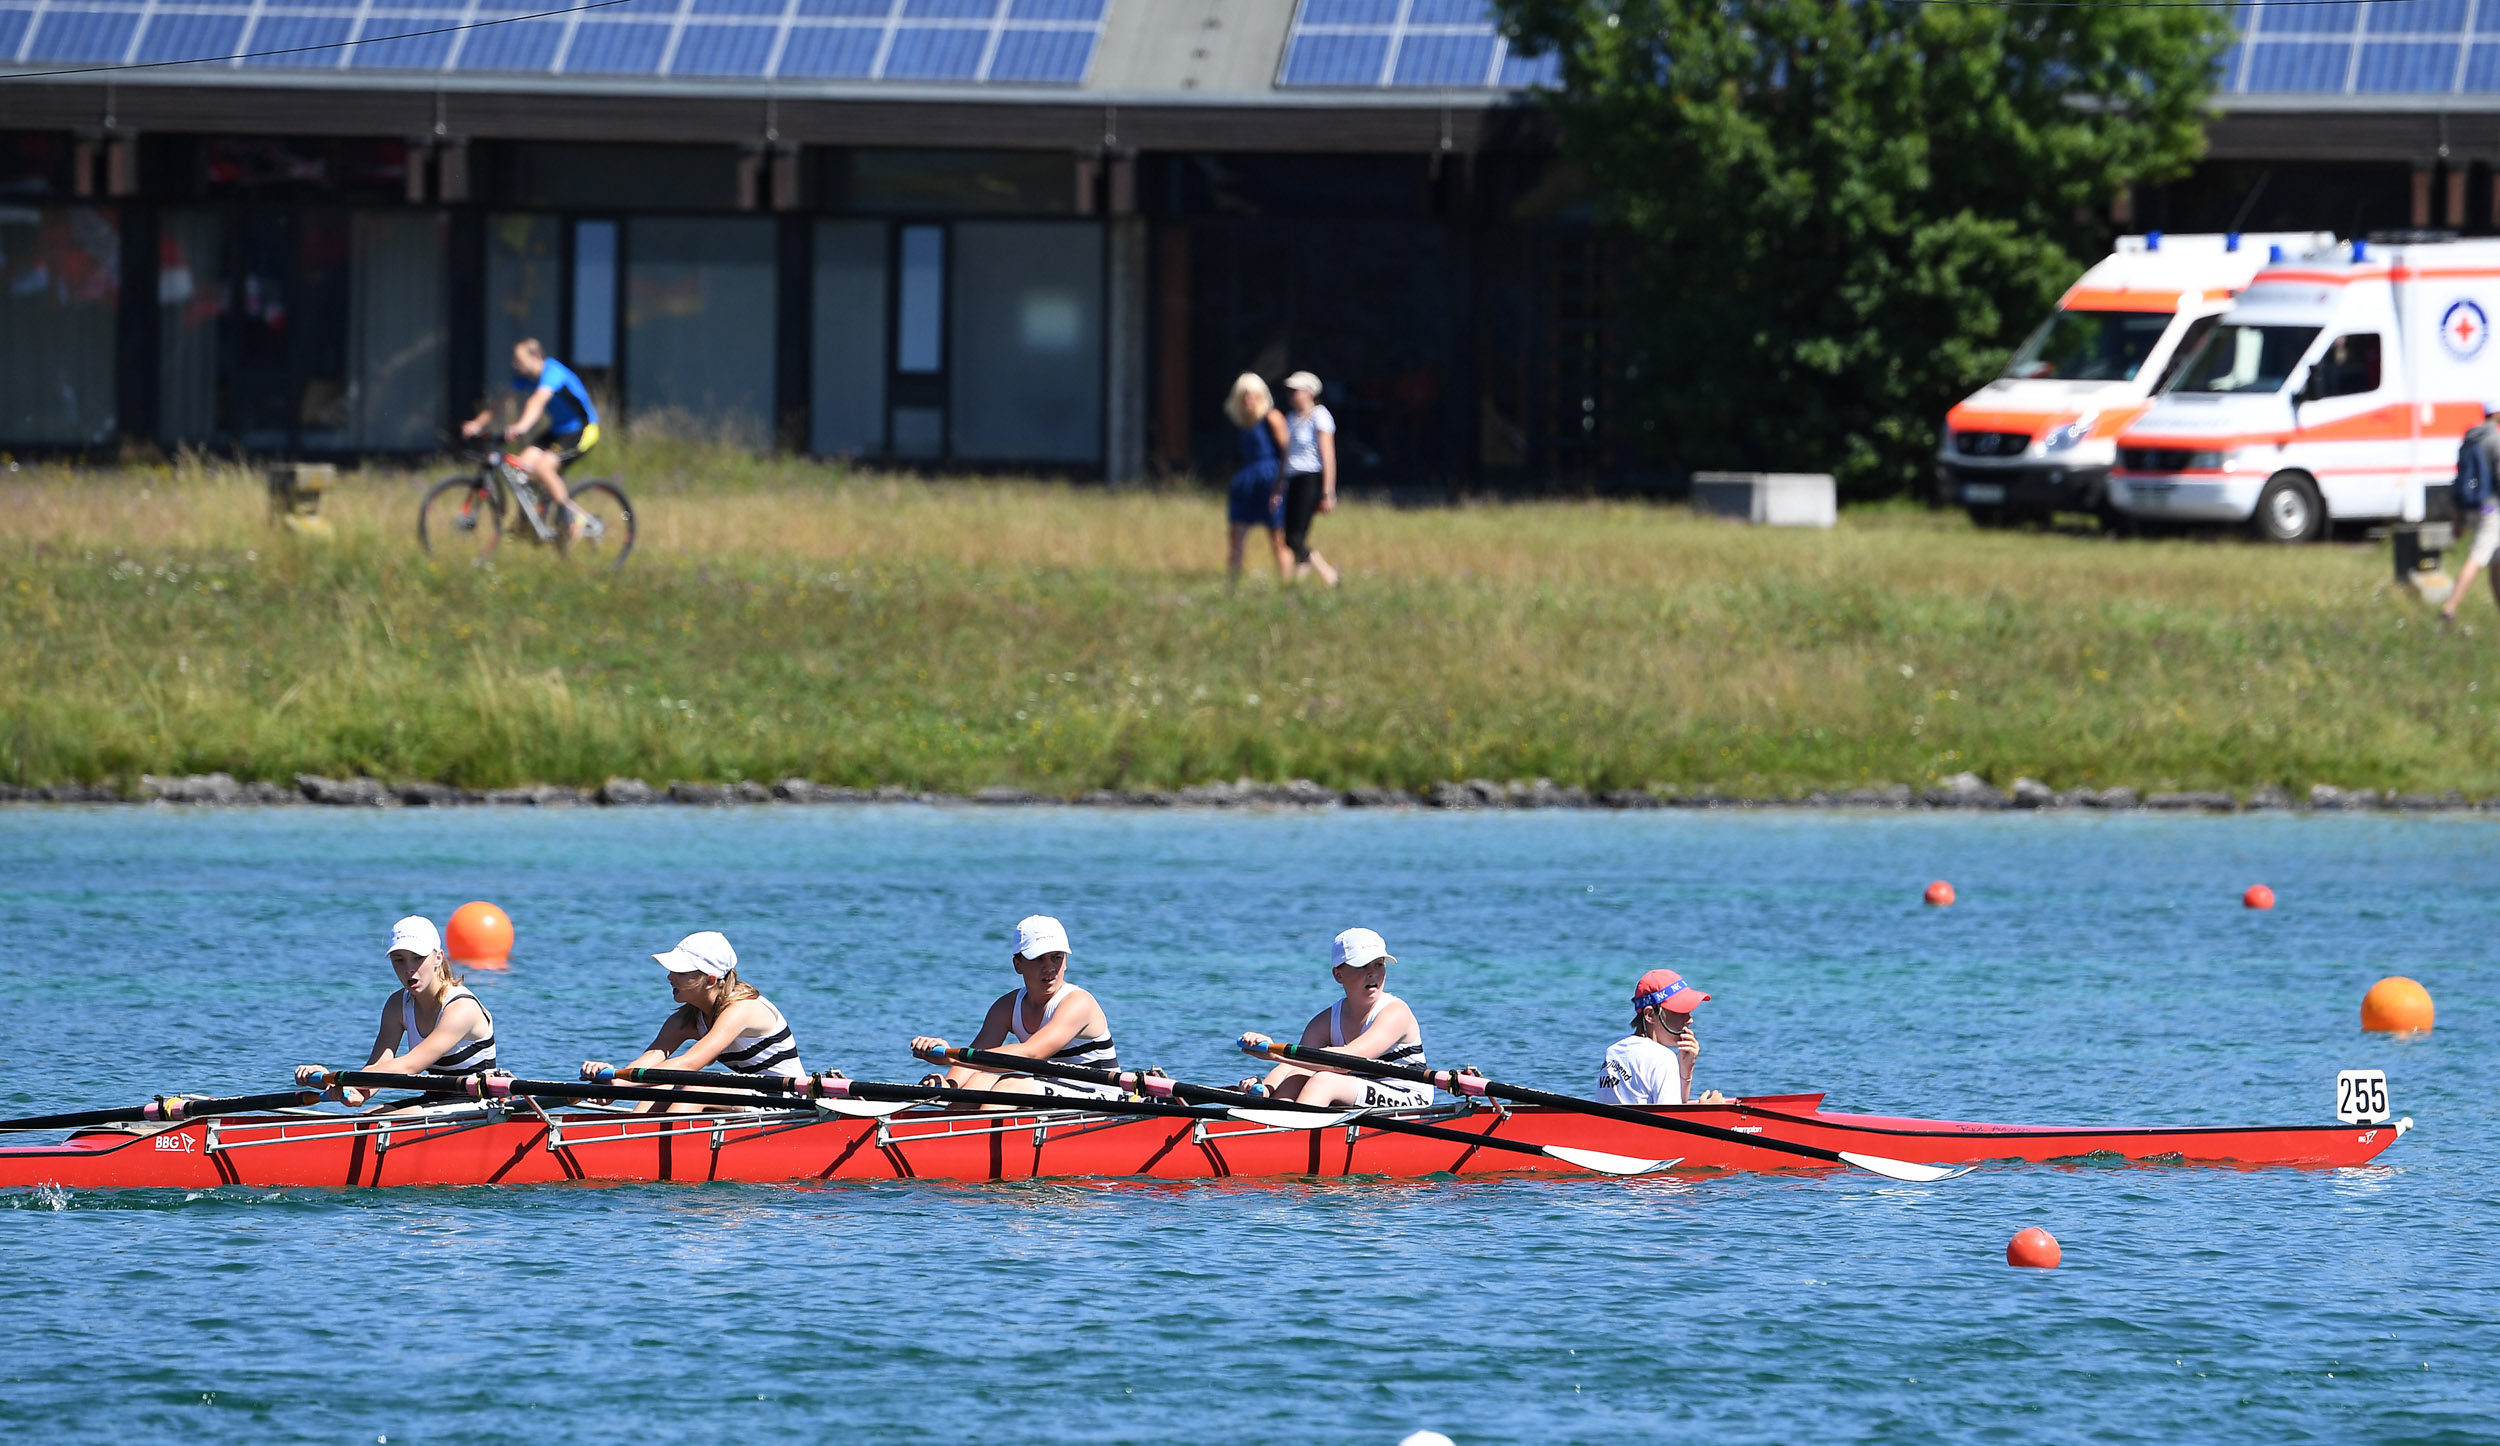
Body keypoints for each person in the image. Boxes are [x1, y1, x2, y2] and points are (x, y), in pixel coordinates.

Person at [294, 916, 498, 1107]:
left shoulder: (461, 1008)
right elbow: (378, 1068)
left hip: (480, 1102)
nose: (409, 968)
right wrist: (348, 1090)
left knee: (373, 1126)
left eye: (417, 958)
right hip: (435, 1098)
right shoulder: (396, 1005)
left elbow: (410, 1066)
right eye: (399, 960)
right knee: (367, 1119)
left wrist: (342, 1077)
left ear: (438, 957)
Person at [909, 915, 1121, 1099]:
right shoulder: (1007, 1007)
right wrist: (946, 1085)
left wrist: (951, 1056)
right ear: (1017, 964)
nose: (1049, 967)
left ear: (1065, 961)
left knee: (1011, 1085)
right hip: (1055, 1095)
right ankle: (946, 1140)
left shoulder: (1078, 1003)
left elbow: (1031, 1054)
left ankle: (972, 1143)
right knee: (978, 1082)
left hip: (1101, 1097)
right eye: (1038, 959)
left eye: (1057, 957)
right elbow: (976, 1057)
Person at [579, 931, 808, 1090]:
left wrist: (622, 1082)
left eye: (680, 971)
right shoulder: (685, 1019)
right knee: (666, 1083)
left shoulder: (742, 1009)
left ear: (709, 980)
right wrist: (613, 1079)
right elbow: (650, 1060)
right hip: (747, 1096)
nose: (670, 976)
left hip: (789, 1103)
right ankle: (632, 1138)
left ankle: (647, 1150)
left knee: (690, 1082)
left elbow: (690, 1064)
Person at [1239, 927, 1431, 1108]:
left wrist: (1274, 1053)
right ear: (1338, 975)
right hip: (1361, 1090)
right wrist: (1267, 1088)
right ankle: (1268, 1125)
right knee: (1298, 1077)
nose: (1373, 973)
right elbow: (1294, 1066)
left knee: (1324, 1081)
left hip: (1408, 1093)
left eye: (1379, 964)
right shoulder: (1324, 1021)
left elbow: (1344, 1063)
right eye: (1362, 965)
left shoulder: (1395, 1012)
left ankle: (1289, 1137)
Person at [461, 337, 600, 536]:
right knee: (521, 467)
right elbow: (498, 404)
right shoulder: (524, 378)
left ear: (535, 357)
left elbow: (537, 401)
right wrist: (476, 424)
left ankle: (573, 519)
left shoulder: (553, 372)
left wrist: (521, 426)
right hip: (559, 430)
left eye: (519, 360)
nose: (514, 364)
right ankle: (534, 519)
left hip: (583, 430)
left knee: (543, 467)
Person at [1596, 969, 1728, 1107]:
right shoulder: (1663, 1058)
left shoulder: (1613, 1052)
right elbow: (1672, 1124)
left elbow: (1668, 1110)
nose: (1690, 1019)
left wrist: (1686, 1070)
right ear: (1650, 1015)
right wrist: (1710, 1110)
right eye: (1680, 1011)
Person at [1223, 372, 1293, 586]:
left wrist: (1281, 483)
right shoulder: (1244, 424)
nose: (1249, 400)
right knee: (1236, 532)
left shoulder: (1272, 418)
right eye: (1245, 396)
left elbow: (1287, 451)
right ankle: (1232, 583)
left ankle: (1287, 584)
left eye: (1253, 395)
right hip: (1247, 480)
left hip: (1270, 478)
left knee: (1277, 535)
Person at [2440, 396, 2500, 625]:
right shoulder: (2494, 439)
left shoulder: (2469, 439)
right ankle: (2449, 608)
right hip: (2490, 509)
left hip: (2473, 508)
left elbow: (2459, 479)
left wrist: (2457, 518)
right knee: (2477, 557)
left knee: (2496, 563)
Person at [1278, 371, 1341, 588]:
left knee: (1295, 537)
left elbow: (1328, 455)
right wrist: (1279, 486)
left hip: (1310, 478)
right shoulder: (1291, 419)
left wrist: (1328, 491)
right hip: (1292, 478)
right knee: (1292, 537)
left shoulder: (1320, 416)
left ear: (1309, 392)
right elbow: (1286, 456)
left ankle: (1329, 575)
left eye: (1296, 390)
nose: (1292, 395)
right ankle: (1296, 585)